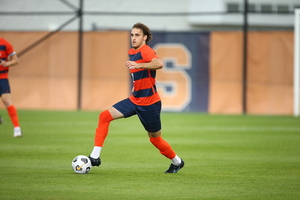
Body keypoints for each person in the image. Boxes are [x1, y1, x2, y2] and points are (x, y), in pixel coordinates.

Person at [88, 22, 184, 173]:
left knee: (155, 139)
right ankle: (94, 156)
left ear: (145, 38)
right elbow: (141, 75)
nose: (133, 38)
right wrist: (136, 84)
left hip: (149, 104)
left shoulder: (146, 51)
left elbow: (158, 63)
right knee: (104, 116)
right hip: (134, 100)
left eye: (137, 35)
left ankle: (177, 162)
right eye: (132, 35)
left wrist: (138, 65)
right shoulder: (132, 52)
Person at [0, 37, 22, 137]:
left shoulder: (5, 44)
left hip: (2, 77)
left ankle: (17, 129)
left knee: (7, 102)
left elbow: (16, 60)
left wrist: (7, 63)